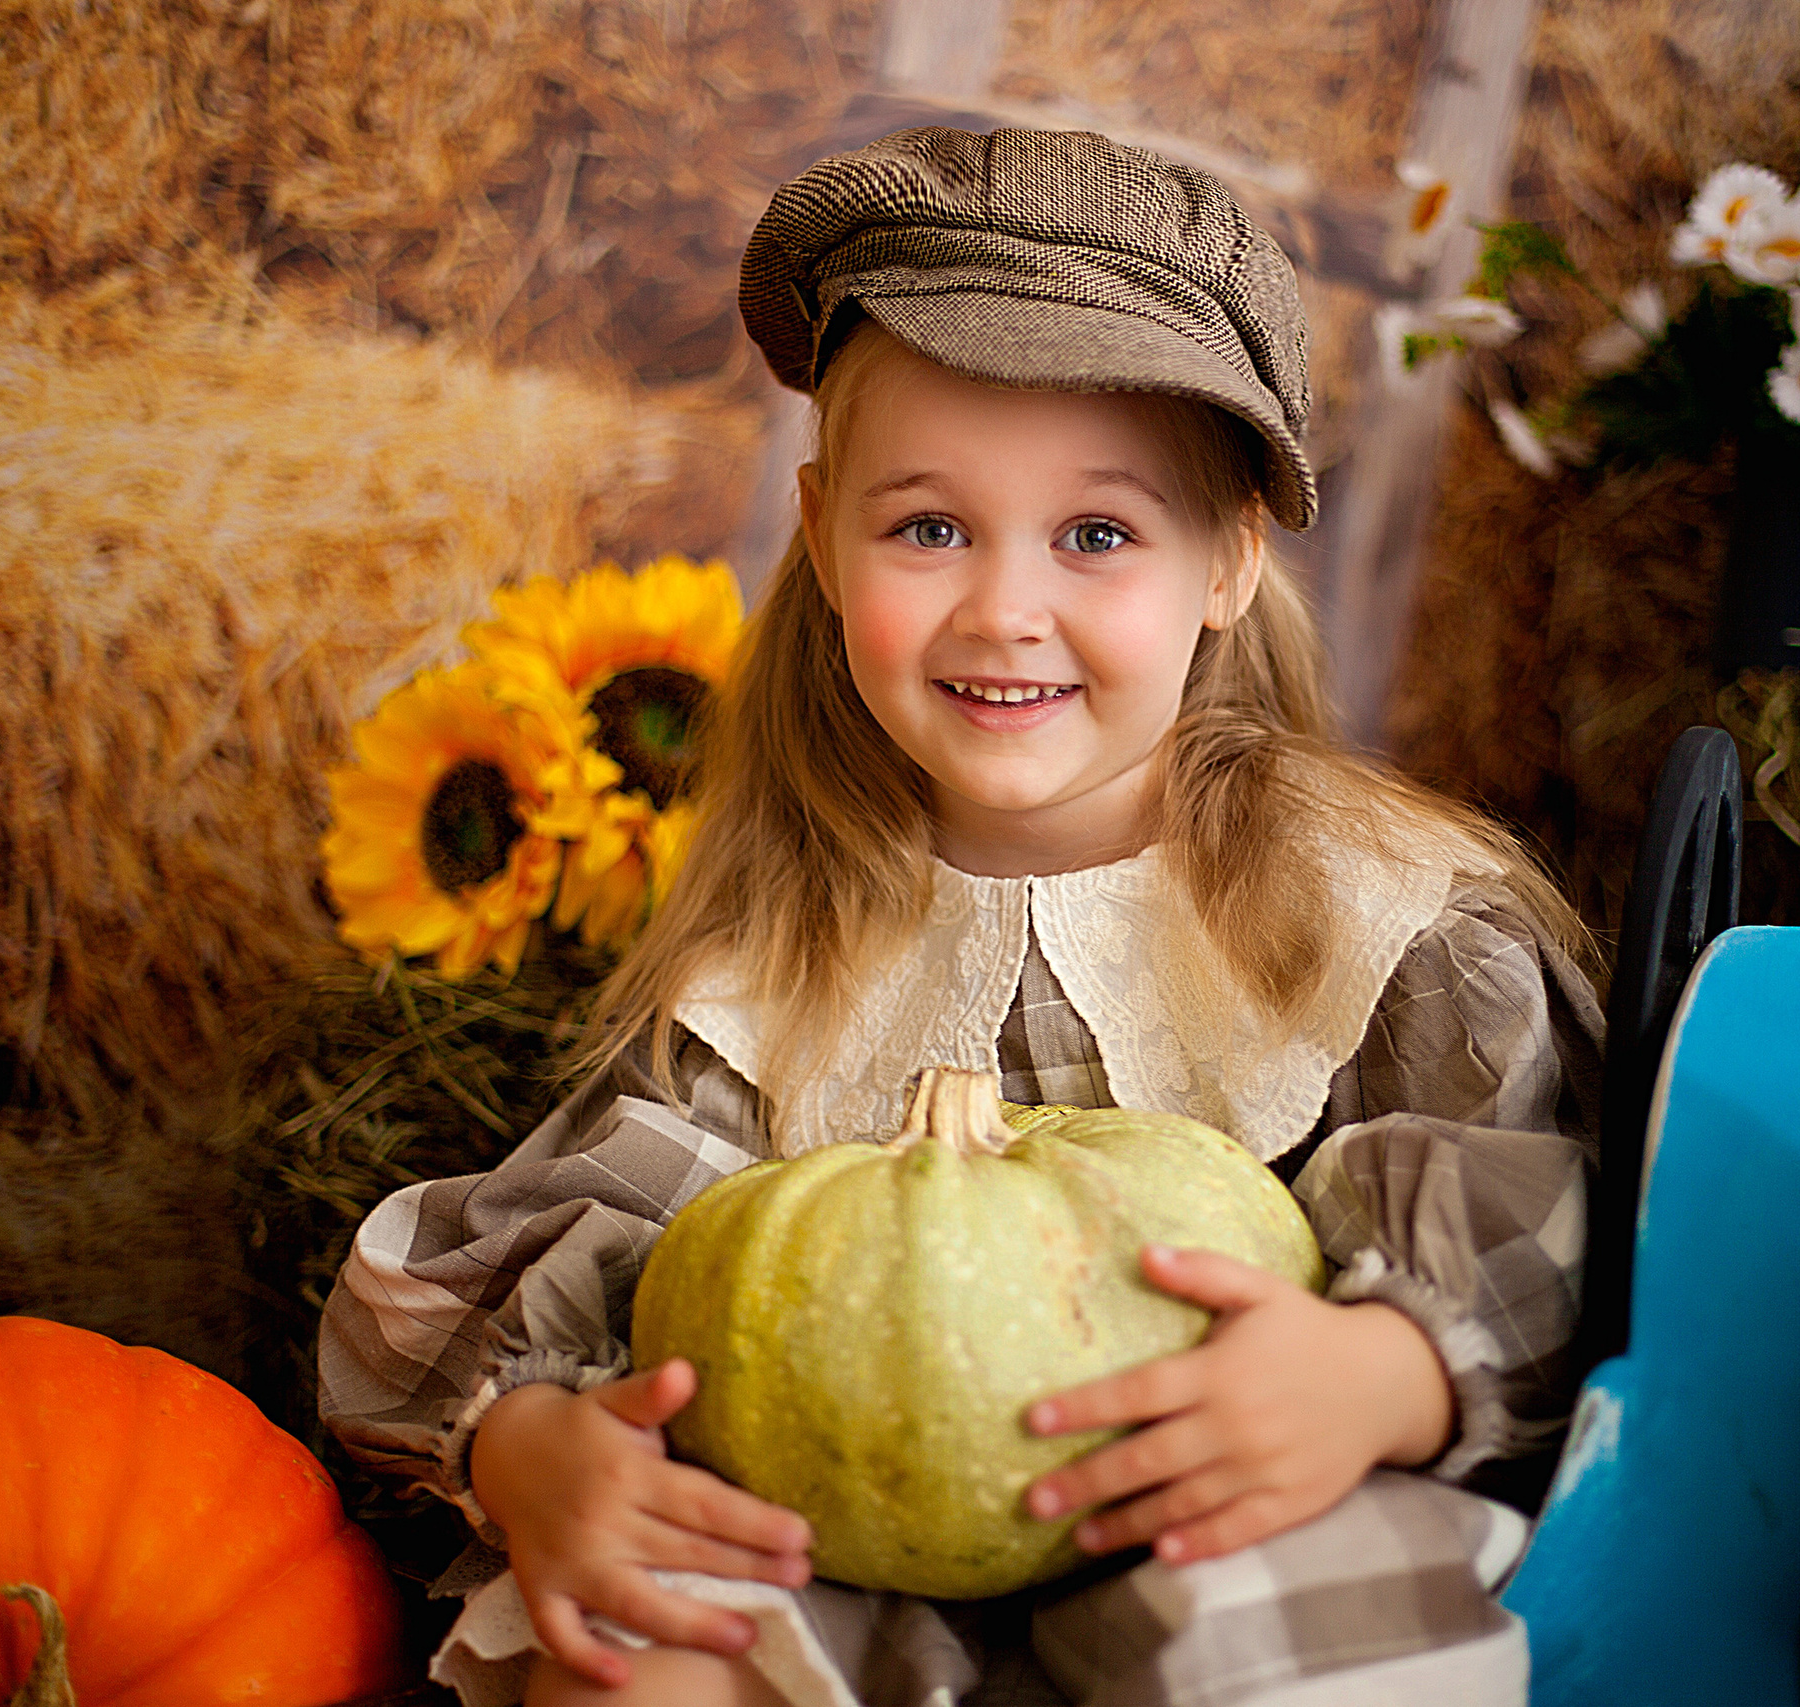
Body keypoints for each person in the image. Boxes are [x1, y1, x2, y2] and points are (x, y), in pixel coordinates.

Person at [319, 125, 1603, 1707]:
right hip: (850, 1543)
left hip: (1229, 1534)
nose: (1004, 608)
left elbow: (1551, 1217)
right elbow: (569, 1255)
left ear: (1226, 564)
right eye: (929, 528)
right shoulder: (794, 945)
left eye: (1097, 535)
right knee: (638, 1668)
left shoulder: (1365, 912)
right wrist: (531, 1446)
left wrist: (1386, 1374)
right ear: (822, 531)